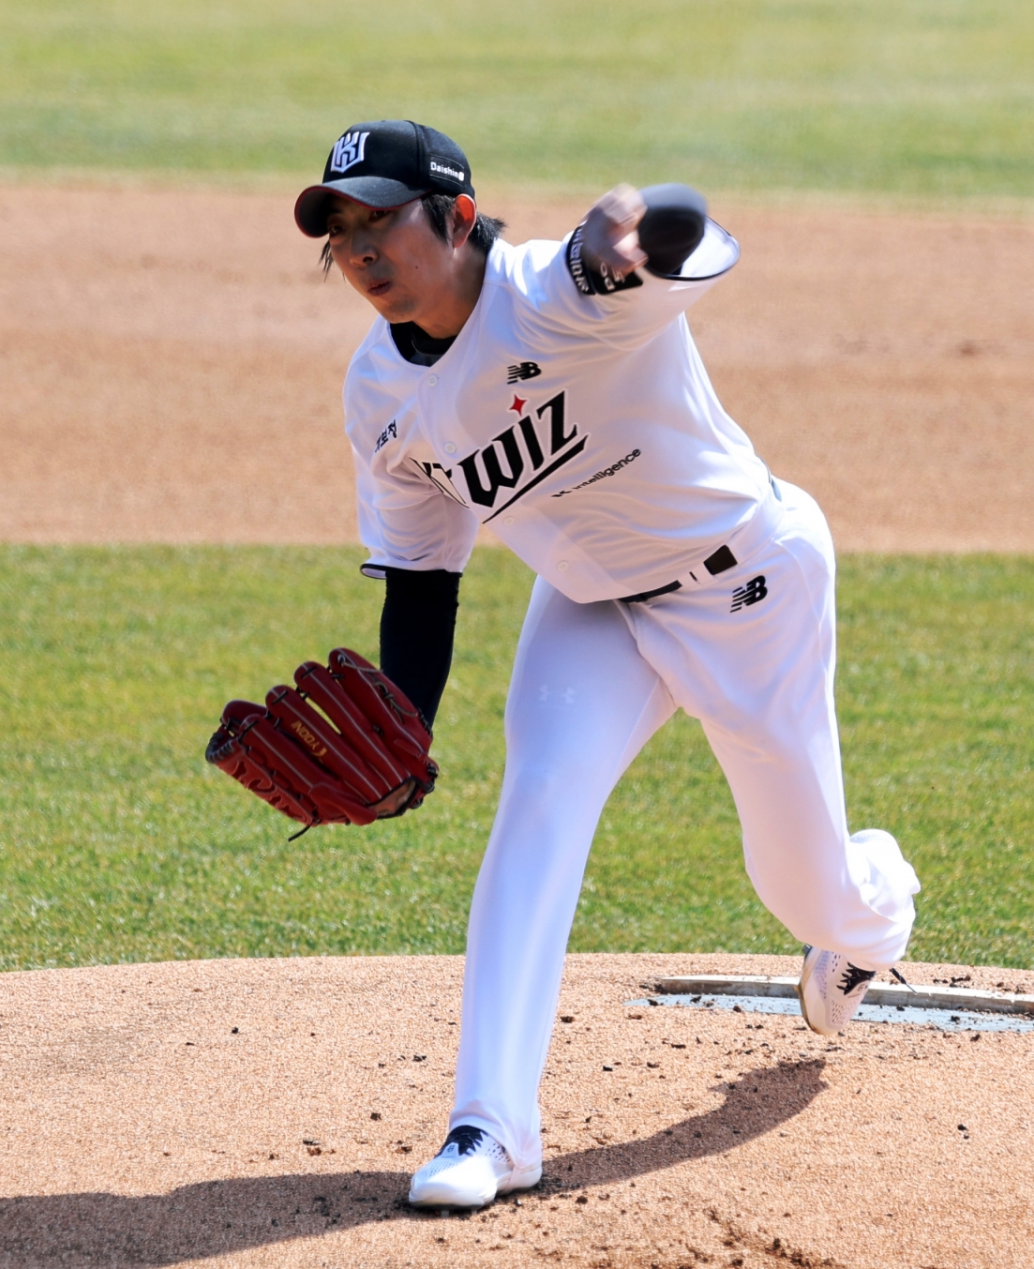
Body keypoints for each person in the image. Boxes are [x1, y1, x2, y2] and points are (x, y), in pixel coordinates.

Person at [293, 120, 921, 1210]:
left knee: (801, 884)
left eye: (381, 221)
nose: (361, 251)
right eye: (339, 232)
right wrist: (405, 726)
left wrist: (632, 238)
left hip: (747, 585)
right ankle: (490, 1129)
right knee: (537, 802)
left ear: (457, 217)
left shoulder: (562, 290)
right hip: (593, 609)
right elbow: (422, 580)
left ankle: (876, 908)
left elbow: (686, 238)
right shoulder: (379, 393)